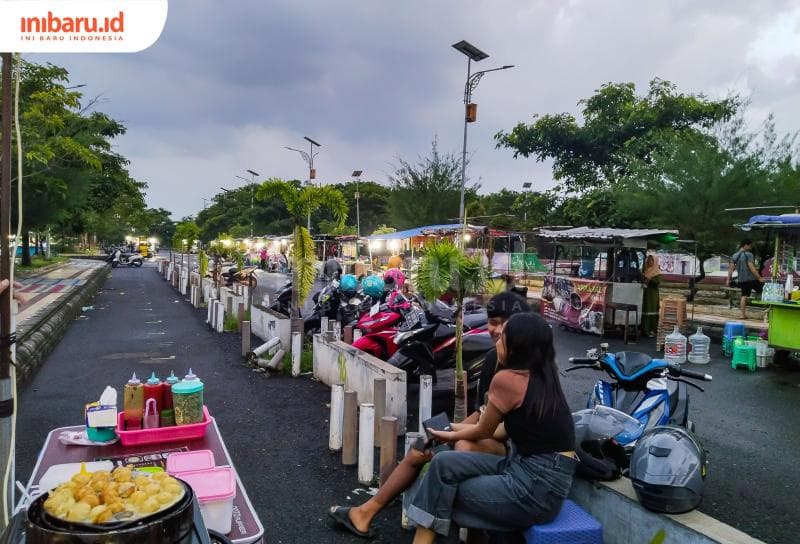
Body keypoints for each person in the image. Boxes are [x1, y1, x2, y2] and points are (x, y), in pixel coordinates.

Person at [328, 292, 528, 539]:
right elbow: (480, 411)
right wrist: (447, 430)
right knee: (419, 449)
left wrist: (452, 433)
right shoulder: (492, 360)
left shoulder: (526, 368)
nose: (495, 330)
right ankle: (366, 513)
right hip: (487, 436)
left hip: (508, 449)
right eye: (492, 322)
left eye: (501, 323)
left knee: (453, 449)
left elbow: (498, 429)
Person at [407, 312, 577, 544]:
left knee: (441, 491)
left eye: (502, 339)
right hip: (534, 473)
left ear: (516, 348)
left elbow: (482, 432)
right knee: (443, 464)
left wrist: (445, 434)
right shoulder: (544, 377)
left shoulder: (508, 379)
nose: (496, 343)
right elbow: (499, 431)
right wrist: (449, 428)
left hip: (535, 488)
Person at [728, 239, 764, 319]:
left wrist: (728, 279)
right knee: (763, 290)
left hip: (741, 279)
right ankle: (766, 311)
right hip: (751, 279)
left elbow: (731, 268)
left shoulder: (735, 255)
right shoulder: (749, 254)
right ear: (745, 245)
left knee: (744, 296)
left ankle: (742, 314)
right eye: (750, 245)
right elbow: (751, 267)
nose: (751, 247)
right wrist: (759, 278)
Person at [641, 254, 661, 337]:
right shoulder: (645, 270)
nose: (649, 261)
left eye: (651, 260)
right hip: (644, 293)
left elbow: (657, 282)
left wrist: (650, 279)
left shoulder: (657, 271)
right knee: (644, 310)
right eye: (648, 260)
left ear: (655, 261)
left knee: (651, 311)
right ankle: (644, 330)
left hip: (652, 295)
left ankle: (652, 330)